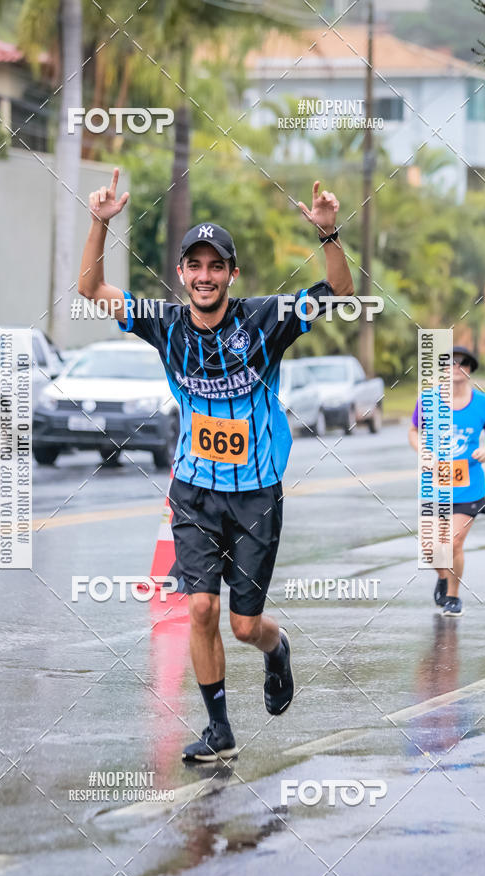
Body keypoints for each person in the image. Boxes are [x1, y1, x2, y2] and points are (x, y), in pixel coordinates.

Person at [78, 170, 354, 761]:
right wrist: (100, 223)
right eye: (194, 266)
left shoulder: (265, 320)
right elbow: (90, 289)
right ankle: (219, 729)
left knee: (244, 626)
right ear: (181, 273)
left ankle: (276, 651)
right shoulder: (164, 324)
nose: (204, 276)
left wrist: (329, 235)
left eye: (215, 266)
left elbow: (340, 291)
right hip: (194, 491)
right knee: (199, 606)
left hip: (256, 495)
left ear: (232, 274)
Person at [408, 346, 485, 617]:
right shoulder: (427, 400)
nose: (455, 368)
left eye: (461, 363)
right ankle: (443, 575)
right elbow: (414, 431)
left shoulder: (482, 403)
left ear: (470, 369)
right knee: (429, 547)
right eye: (449, 363)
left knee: (454, 541)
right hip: (436, 486)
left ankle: (453, 596)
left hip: (469, 486)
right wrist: (422, 451)